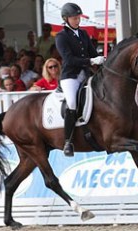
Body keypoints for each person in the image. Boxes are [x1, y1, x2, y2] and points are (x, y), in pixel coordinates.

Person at [55, 2, 104, 156]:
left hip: (86, 74)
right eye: (74, 18)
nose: (77, 20)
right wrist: (90, 61)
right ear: (66, 19)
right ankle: (68, 142)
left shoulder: (83, 34)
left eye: (78, 18)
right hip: (70, 76)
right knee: (72, 103)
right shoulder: (61, 36)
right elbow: (68, 59)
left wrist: (101, 58)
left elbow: (92, 53)